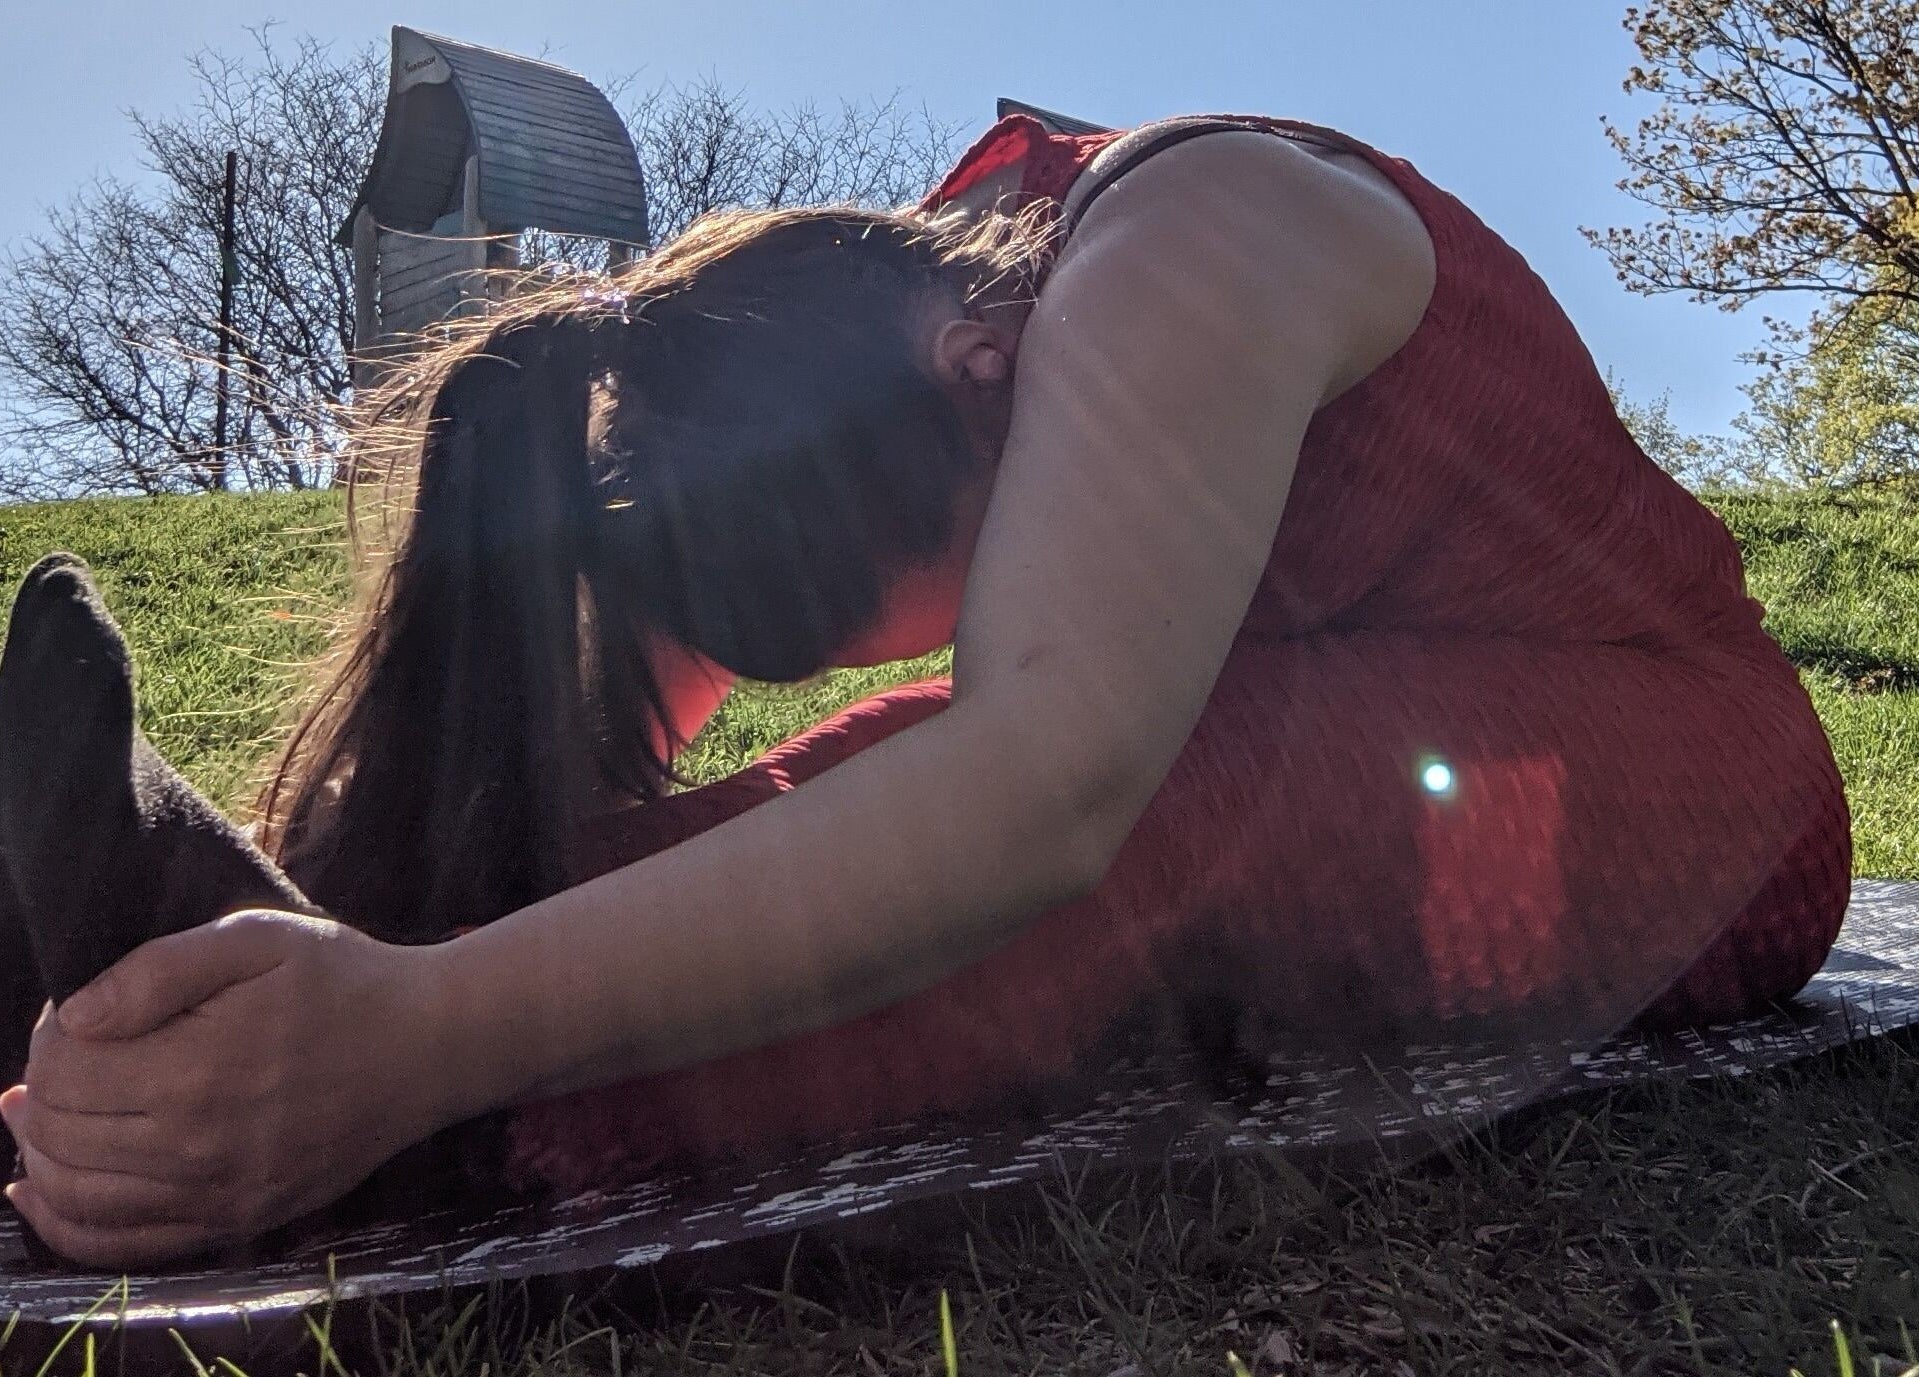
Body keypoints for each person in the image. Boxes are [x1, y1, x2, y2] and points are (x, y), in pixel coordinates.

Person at [0, 113, 1849, 1268]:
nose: (968, 622)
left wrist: (421, 1047)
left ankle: (441, 1141)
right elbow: (673, 791)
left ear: (985, 371)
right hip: (1403, 749)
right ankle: (188, 986)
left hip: (1696, 796)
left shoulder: (1193, 247)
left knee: (1151, 797)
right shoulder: (833, 354)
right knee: (888, 792)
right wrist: (392, 934)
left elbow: (1048, 785)